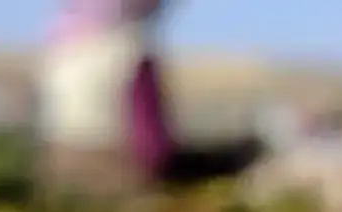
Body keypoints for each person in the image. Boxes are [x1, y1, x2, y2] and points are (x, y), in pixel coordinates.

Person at [38, 0, 262, 196]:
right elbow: (153, 147)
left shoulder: (63, 47)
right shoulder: (130, 50)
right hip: (117, 181)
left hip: (59, 177)